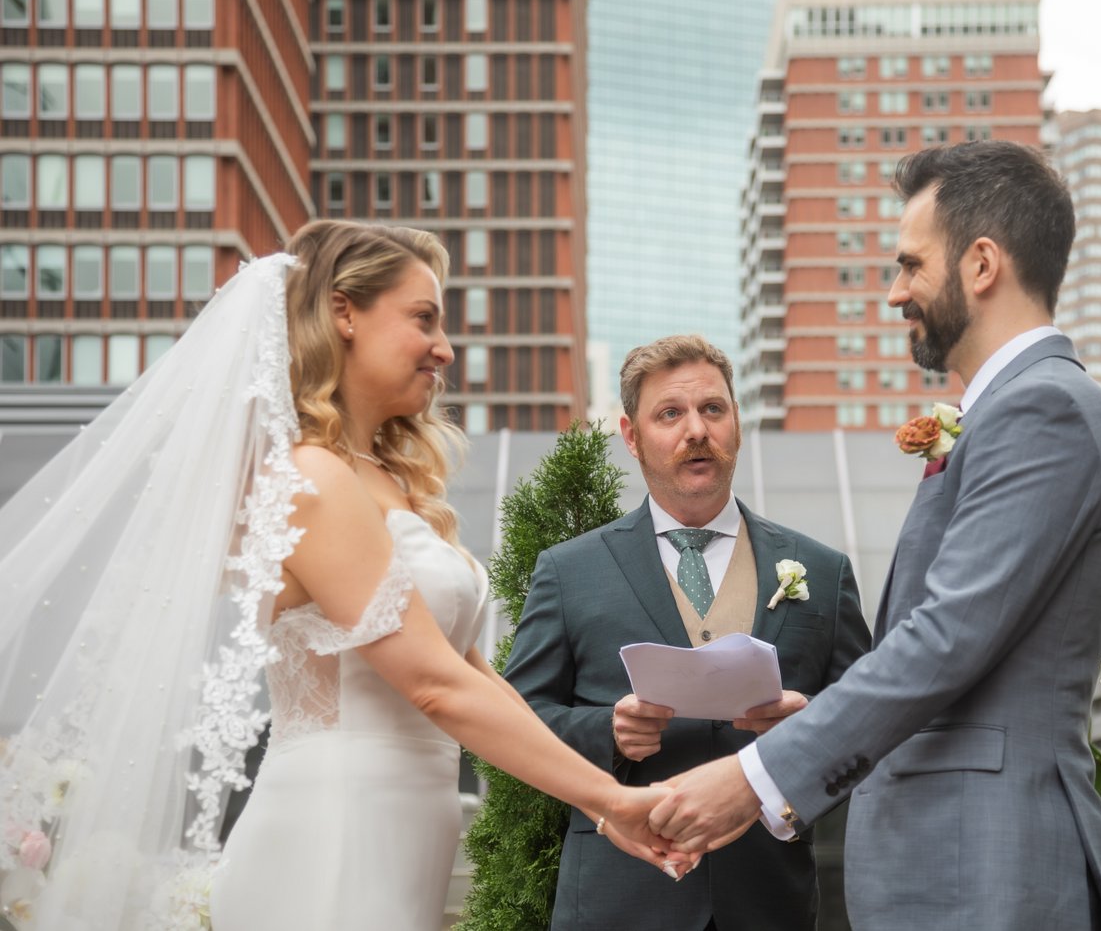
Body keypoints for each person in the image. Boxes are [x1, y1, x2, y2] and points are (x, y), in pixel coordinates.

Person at [0, 221, 678, 931]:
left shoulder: (388, 482)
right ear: (345, 312)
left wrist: (601, 793)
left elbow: (474, 676)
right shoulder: (309, 478)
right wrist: (610, 802)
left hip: (402, 830)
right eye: (424, 318)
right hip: (334, 831)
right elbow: (432, 685)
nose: (444, 348)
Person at [648, 142, 1101, 930]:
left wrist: (754, 777)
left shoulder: (1046, 410)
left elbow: (946, 637)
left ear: (982, 263)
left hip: (990, 867)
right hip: (957, 863)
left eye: (911, 265)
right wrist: (812, 725)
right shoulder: (1007, 413)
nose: (895, 293)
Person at [504, 335, 870, 931]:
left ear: (737, 426)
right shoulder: (569, 571)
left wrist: (810, 726)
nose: (696, 430)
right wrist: (608, 731)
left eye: (713, 409)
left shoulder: (822, 571)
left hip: (769, 899)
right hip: (617, 902)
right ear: (631, 435)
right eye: (670, 414)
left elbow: (873, 719)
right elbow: (513, 721)